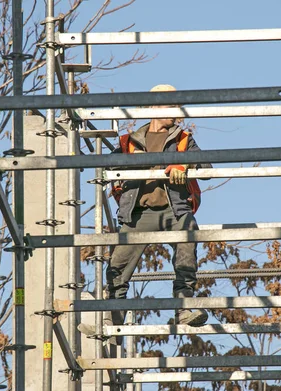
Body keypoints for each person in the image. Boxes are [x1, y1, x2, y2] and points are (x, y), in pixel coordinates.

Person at [80, 84, 211, 337]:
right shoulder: (129, 141)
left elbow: (205, 165)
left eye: (177, 105)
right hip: (139, 213)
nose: (175, 110)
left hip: (175, 210)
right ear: (153, 107)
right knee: (118, 265)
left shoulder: (184, 139)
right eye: (169, 104)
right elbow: (108, 167)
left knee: (187, 246)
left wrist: (182, 165)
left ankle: (184, 308)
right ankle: (110, 319)